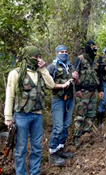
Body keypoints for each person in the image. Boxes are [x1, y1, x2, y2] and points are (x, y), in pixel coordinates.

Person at [4, 46, 70, 175]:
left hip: (37, 116)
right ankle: (21, 172)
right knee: (21, 148)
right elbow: (10, 95)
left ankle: (35, 172)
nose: (38, 59)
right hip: (21, 116)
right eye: (36, 57)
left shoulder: (40, 72)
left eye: (39, 57)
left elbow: (51, 85)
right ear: (28, 57)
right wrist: (8, 117)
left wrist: (44, 68)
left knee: (36, 147)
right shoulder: (16, 73)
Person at [47, 45, 76, 166]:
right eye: (61, 52)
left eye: (66, 51)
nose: (64, 53)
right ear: (57, 53)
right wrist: (62, 85)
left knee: (65, 126)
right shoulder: (52, 66)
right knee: (58, 127)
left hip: (69, 98)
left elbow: (73, 80)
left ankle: (60, 149)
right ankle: (52, 153)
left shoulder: (69, 66)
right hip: (58, 99)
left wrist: (74, 79)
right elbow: (47, 84)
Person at [72, 40, 104, 146]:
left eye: (95, 47)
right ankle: (76, 137)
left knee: (90, 114)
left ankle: (86, 136)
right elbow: (74, 75)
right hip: (83, 91)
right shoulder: (79, 59)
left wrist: (101, 90)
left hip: (93, 91)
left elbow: (99, 76)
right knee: (80, 115)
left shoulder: (96, 61)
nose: (95, 49)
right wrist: (77, 90)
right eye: (93, 47)